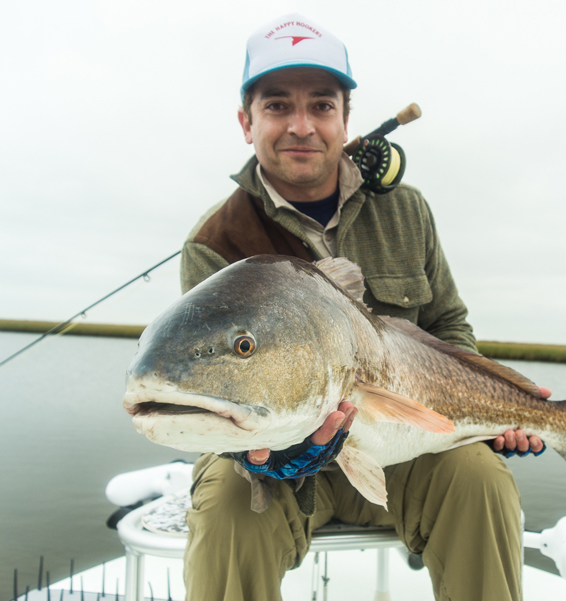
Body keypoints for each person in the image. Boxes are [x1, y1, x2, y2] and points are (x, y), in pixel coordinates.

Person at [179, 14, 547, 601]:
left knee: (481, 478)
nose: (302, 126)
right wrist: (270, 455)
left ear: (345, 119)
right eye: (277, 106)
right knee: (225, 503)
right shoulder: (215, 243)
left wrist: (490, 397)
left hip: (406, 449)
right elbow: (205, 386)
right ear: (247, 123)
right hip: (278, 466)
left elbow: (448, 325)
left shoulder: (407, 211)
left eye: (322, 105)